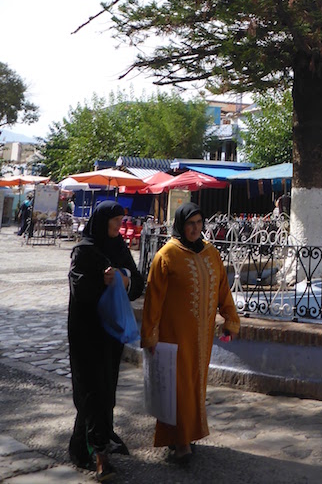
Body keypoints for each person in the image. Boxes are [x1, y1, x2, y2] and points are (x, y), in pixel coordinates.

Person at [140, 202, 240, 465]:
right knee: (179, 387)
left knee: (194, 386)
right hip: (174, 336)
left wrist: (230, 319)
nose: (195, 228)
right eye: (190, 224)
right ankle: (182, 444)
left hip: (202, 339)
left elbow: (223, 290)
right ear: (181, 225)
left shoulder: (211, 253)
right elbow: (153, 300)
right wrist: (150, 335)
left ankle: (184, 436)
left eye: (198, 223)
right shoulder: (167, 256)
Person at [68, 200, 144, 480]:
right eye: (114, 220)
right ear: (102, 222)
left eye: (121, 220)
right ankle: (97, 451)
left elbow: (138, 282)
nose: (119, 225)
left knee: (105, 389)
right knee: (91, 390)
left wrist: (124, 279)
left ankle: (84, 444)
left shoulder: (120, 248)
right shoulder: (84, 251)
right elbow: (80, 289)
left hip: (111, 334)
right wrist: (102, 280)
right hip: (87, 334)